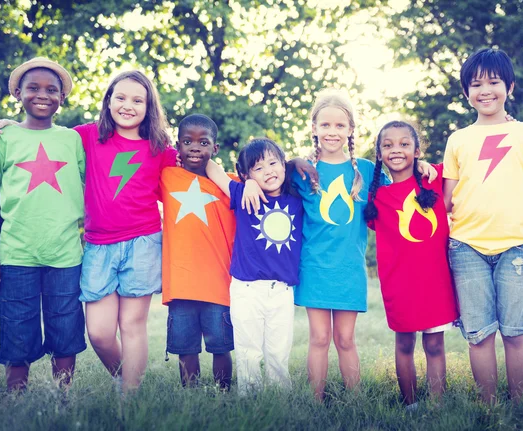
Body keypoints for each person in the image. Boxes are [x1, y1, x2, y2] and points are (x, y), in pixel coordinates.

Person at [0, 70, 178, 393]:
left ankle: (131, 396)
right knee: (100, 333)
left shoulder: (159, 148)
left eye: (137, 100)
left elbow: (193, 170)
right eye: (120, 97)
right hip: (98, 246)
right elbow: (42, 134)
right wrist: (5, 124)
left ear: (149, 107)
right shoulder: (85, 137)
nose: (127, 105)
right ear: (108, 101)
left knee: (132, 325)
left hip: (143, 243)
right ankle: (125, 376)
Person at [291, 90, 437, 400]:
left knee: (345, 339)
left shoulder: (367, 172)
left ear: (351, 130)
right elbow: (267, 173)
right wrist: (292, 160)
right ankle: (315, 403)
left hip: (349, 269)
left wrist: (422, 167)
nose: (333, 132)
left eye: (340, 126)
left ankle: (354, 401)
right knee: (318, 338)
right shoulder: (303, 172)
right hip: (315, 267)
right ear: (314, 127)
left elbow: (402, 185)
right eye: (326, 125)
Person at [443, 47, 523, 404]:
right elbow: (445, 200)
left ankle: (521, 406)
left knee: (516, 332)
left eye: (493, 82)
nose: (485, 90)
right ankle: (489, 406)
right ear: (466, 93)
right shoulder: (457, 139)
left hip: (516, 247)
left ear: (509, 86)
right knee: (478, 335)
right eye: (476, 84)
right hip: (466, 248)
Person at [0, 57, 86, 391]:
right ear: (18, 93)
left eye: (52, 90)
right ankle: (17, 399)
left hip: (65, 253)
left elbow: (94, 185)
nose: (43, 95)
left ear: (62, 98)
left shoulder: (72, 140)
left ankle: (63, 396)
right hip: (16, 253)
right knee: (17, 331)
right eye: (33, 88)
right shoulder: (4, 138)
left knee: (65, 328)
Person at [364, 121, 458, 409]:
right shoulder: (375, 196)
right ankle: (410, 405)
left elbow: (464, 161)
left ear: (417, 151)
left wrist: (427, 166)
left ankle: (437, 406)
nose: (396, 150)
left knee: (434, 345)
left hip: (435, 281)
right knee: (404, 344)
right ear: (379, 154)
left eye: (404, 144)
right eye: (388, 145)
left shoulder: (434, 179)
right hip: (399, 284)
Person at [205, 137, 304, 394]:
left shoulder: (297, 200)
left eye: (273, 163)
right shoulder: (243, 194)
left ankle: (280, 400)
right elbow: (211, 168)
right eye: (258, 168)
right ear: (247, 174)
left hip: (281, 290)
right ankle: (248, 399)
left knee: (278, 351)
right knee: (248, 350)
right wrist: (246, 183)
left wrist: (296, 162)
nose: (268, 171)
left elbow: (309, 170)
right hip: (246, 288)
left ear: (284, 165)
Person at [160, 114, 236, 390]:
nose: (194, 148)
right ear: (177, 146)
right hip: (180, 284)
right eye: (187, 142)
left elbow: (267, 179)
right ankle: (191, 396)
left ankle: (223, 393)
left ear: (215, 149)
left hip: (218, 284)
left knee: (221, 346)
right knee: (185, 348)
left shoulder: (230, 185)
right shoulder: (167, 177)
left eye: (203, 142)